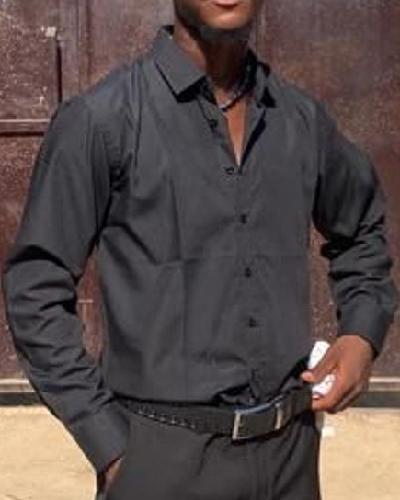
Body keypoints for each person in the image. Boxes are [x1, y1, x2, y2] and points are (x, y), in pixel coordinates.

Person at [2, 1, 398, 499]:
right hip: (161, 459)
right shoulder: (101, 120)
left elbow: (361, 229)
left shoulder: (301, 119)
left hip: (290, 457)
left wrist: (361, 333)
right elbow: (35, 288)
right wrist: (111, 444)